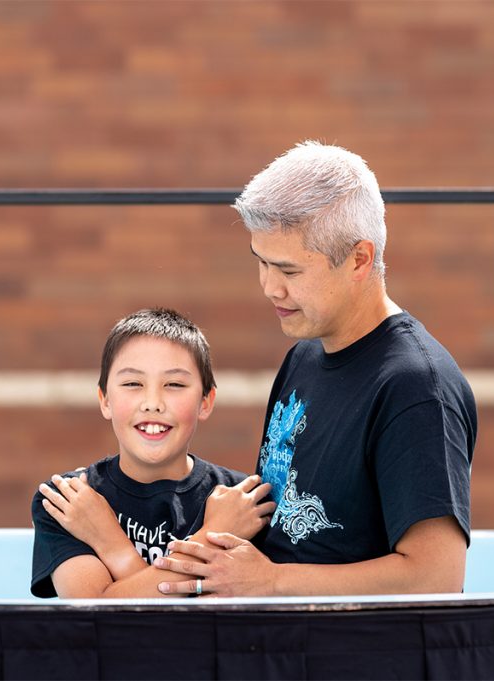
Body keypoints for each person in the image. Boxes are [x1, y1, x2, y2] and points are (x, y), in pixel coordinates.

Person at [153, 141, 477, 597]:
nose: (269, 287)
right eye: (261, 263)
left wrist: (272, 581)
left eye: (289, 270)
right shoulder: (305, 353)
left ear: (360, 260)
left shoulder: (416, 387)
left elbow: (437, 578)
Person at [30, 308, 275, 598]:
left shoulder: (244, 502)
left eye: (174, 384)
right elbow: (97, 618)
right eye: (133, 383)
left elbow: (208, 625)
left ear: (206, 401)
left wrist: (113, 549)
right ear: (105, 400)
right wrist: (216, 534)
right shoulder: (70, 500)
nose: (153, 402)